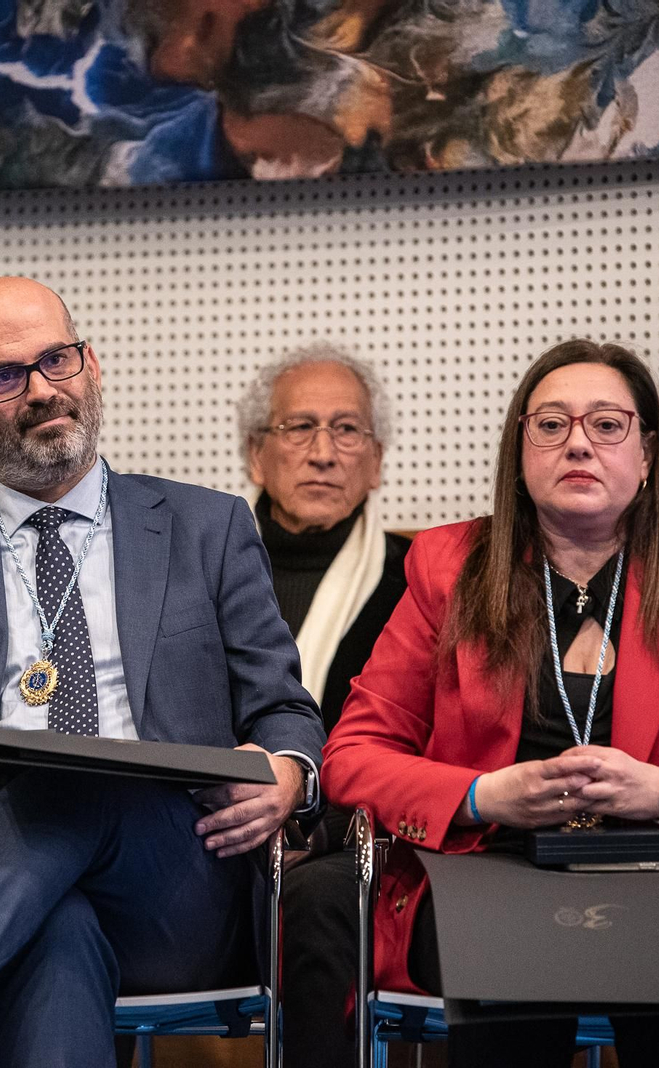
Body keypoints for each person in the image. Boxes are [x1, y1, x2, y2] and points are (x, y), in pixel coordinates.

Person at [0, 277, 326, 1068]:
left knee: (69, 776)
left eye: (57, 360)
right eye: (6, 376)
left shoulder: (205, 528)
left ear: (92, 366)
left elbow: (287, 710)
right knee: (52, 924)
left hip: (171, 879)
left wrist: (285, 774)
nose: (41, 390)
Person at [311, 340, 659, 1068]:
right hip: (491, 873)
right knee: (508, 973)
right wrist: (482, 794)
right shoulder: (449, 567)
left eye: (606, 425)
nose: (579, 445)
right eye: (552, 425)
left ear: (649, 454)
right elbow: (352, 757)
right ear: (520, 448)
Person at [238, 346, 409, 1067]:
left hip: (346, 838)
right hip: (210, 823)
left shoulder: (419, 580)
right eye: (299, 427)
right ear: (256, 455)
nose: (322, 453)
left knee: (317, 903)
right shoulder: (195, 569)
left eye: (347, 431)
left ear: (375, 461)